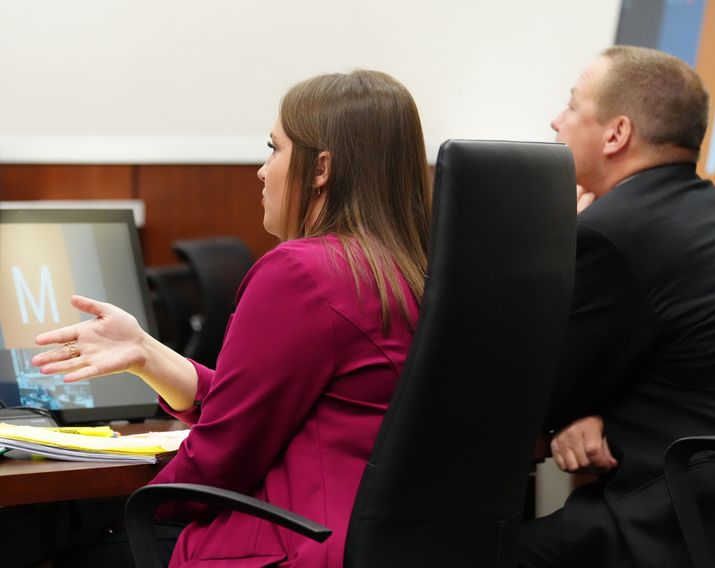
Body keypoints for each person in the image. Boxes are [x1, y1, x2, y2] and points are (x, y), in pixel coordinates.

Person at [32, 69, 431, 568]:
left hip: (298, 542)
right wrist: (145, 350)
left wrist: (126, 511)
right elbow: (265, 404)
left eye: (274, 148)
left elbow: (222, 460)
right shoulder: (405, 269)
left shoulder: (303, 271)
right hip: (386, 543)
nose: (263, 170)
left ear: (322, 168)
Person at [517, 46, 715, 567]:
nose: (556, 120)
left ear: (616, 134)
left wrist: (569, 414)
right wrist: (582, 413)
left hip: (706, 510)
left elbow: (527, 396)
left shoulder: (615, 231)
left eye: (572, 105)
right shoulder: (696, 207)